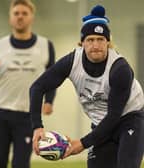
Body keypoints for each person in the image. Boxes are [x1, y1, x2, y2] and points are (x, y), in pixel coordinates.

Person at [30, 5, 144, 168]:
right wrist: (37, 127)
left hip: (130, 120)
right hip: (100, 124)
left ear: (108, 42)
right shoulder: (71, 62)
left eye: (100, 39)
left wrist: (82, 144)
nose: (95, 45)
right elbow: (37, 87)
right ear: (82, 42)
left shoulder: (120, 70)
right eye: (90, 40)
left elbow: (113, 116)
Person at [0, 0, 56, 168]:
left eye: (24, 13)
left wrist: (49, 101)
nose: (20, 17)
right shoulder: (0, 45)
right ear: (10, 18)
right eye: (16, 13)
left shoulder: (45, 46)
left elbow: (52, 79)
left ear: (32, 17)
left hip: (27, 116)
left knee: (21, 164)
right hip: (0, 113)